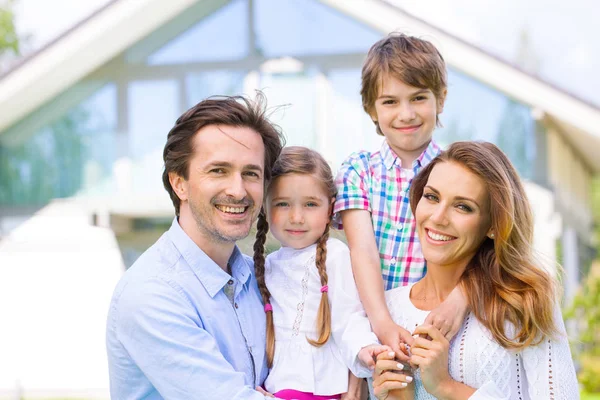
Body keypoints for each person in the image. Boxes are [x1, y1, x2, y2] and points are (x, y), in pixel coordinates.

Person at [105, 94, 285, 399]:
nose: (238, 190)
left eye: (251, 173)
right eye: (218, 170)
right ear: (179, 184)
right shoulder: (152, 294)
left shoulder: (260, 280)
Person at [371, 141, 579, 399]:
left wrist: (447, 387)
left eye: (463, 206)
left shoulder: (523, 300)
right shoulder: (386, 311)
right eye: (432, 197)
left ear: (493, 225)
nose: (437, 217)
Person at [334, 33, 466, 360]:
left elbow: (481, 256)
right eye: (390, 102)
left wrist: (459, 301)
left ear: (441, 99)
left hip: (439, 325)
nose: (405, 114)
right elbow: (362, 251)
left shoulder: (459, 172)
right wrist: (382, 324)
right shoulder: (357, 171)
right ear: (371, 108)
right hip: (371, 329)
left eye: (418, 98)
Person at [253, 147, 390, 400]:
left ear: (330, 210)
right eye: (282, 204)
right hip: (275, 387)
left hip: (320, 387)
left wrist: (364, 348)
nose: (296, 217)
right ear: (264, 207)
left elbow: (349, 318)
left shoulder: (334, 255)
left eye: (310, 204)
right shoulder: (265, 265)